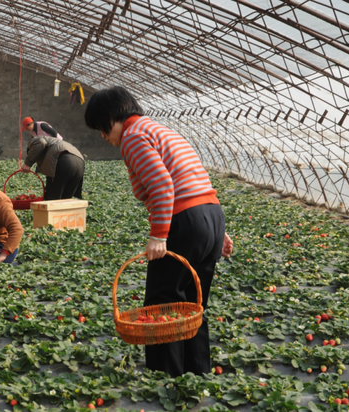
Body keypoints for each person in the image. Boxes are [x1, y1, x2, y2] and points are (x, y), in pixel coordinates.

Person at [84, 86, 234, 378]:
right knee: (193, 304)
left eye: (102, 128)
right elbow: (194, 179)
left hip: (185, 218)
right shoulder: (161, 130)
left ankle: (166, 376)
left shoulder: (134, 135)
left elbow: (163, 186)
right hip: (210, 216)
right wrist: (217, 233)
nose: (104, 136)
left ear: (113, 117)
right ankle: (196, 372)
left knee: (161, 302)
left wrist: (159, 236)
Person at [19, 121, 85, 200]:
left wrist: (28, 163)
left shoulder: (35, 140)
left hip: (62, 161)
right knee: (66, 200)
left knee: (51, 200)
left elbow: (41, 143)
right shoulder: (53, 143)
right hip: (80, 162)